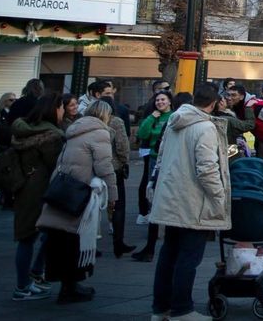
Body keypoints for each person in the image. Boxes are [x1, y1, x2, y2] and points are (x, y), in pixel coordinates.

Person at [149, 81, 231, 321]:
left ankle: (160, 308)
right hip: (193, 199)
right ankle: (181, 309)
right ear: (214, 103)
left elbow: (162, 156)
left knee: (168, 254)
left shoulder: (175, 121)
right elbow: (207, 168)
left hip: (171, 195)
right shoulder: (204, 128)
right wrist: (219, 197)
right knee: (188, 257)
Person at [37, 97, 115, 304]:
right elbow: (105, 166)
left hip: (62, 188)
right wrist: (114, 196)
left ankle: (66, 283)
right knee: (75, 240)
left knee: (60, 239)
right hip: (80, 193)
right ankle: (70, 286)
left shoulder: (74, 129)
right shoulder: (100, 133)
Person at [5, 95, 65, 301]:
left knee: (28, 236)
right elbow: (55, 164)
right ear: (53, 109)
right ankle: (24, 284)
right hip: (41, 188)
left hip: (22, 185)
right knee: (38, 235)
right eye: (61, 107)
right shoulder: (52, 135)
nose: (63, 111)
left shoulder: (22, 130)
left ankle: (29, 278)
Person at [131, 91, 173, 261]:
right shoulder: (153, 117)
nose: (160, 102)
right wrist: (151, 118)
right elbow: (142, 134)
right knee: (152, 194)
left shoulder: (173, 116)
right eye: (157, 100)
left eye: (163, 99)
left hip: (166, 160)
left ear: (170, 101)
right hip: (154, 158)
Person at [99, 94, 135, 256]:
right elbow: (122, 146)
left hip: (94, 167)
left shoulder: (88, 121)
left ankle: (89, 244)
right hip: (113, 167)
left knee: (93, 207)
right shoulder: (116, 122)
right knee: (118, 205)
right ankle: (118, 243)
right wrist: (123, 162)